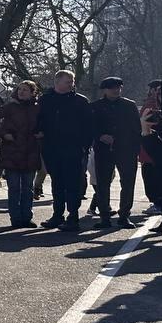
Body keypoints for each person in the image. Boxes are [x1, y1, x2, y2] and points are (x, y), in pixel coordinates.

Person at [38, 70, 94, 232]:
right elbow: (39, 120)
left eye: (72, 81)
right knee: (57, 183)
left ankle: (73, 216)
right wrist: (40, 133)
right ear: (57, 82)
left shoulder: (80, 101)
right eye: (68, 81)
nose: (71, 84)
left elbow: (88, 126)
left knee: (73, 183)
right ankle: (57, 215)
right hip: (52, 148)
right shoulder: (46, 100)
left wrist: (84, 146)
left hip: (74, 149)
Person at [0, 80, 43, 228]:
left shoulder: (37, 109)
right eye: (19, 90)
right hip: (12, 152)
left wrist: (42, 133)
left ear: (33, 93)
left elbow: (45, 124)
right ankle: (15, 218)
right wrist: (3, 134)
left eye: (25, 90)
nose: (21, 92)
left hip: (31, 151)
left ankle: (27, 217)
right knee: (14, 188)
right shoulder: (10, 107)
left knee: (28, 188)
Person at [90, 76, 142, 229]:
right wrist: (99, 136)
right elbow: (89, 127)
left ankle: (124, 215)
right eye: (112, 87)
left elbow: (135, 129)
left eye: (118, 87)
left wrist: (132, 146)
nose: (116, 90)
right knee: (102, 184)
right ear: (104, 90)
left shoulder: (129, 105)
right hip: (103, 150)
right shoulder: (95, 106)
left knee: (127, 183)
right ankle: (104, 216)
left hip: (126, 149)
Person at [139, 83, 162, 233]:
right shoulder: (154, 110)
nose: (161, 98)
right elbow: (148, 136)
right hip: (159, 156)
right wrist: (145, 126)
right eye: (159, 95)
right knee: (161, 191)